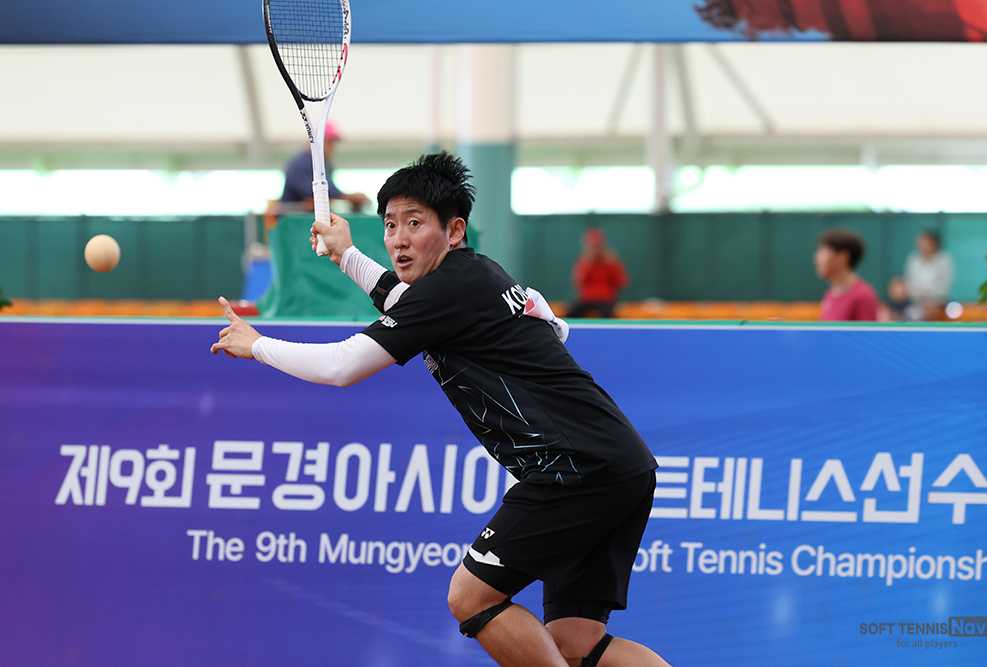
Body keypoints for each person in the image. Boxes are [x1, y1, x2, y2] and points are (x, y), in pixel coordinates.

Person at [212, 152, 671, 667]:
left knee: (471, 597)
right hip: (622, 466)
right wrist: (347, 255)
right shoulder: (469, 279)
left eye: (415, 223)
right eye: (390, 225)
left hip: (574, 471)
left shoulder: (450, 288)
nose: (398, 239)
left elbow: (341, 366)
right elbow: (404, 303)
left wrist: (258, 345)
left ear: (454, 231)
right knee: (576, 646)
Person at [280, 121, 371, 212]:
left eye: (333, 143)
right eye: (328, 142)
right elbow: (313, 191)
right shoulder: (300, 164)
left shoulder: (326, 165)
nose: (332, 147)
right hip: (295, 217)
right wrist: (347, 197)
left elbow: (328, 188)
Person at [814, 228, 879, 322]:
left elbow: (867, 331)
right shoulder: (830, 294)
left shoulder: (863, 295)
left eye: (823, 252)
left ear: (843, 256)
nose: (817, 258)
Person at [566, 227, 629, 319]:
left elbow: (621, 282)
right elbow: (578, 282)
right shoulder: (583, 262)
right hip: (587, 299)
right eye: (593, 246)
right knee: (570, 315)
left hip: (606, 300)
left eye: (597, 246)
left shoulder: (612, 262)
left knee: (606, 314)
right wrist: (588, 264)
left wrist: (609, 264)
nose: (595, 249)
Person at [903, 230, 954, 321]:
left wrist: (931, 301)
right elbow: (909, 283)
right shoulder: (913, 259)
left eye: (925, 242)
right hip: (916, 304)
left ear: (933, 243)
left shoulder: (944, 260)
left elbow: (944, 286)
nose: (922, 245)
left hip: (938, 305)